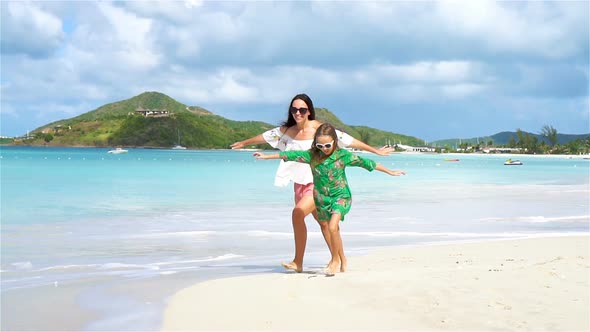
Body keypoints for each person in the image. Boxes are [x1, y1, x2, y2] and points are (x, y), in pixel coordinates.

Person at [231, 93, 393, 273]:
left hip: (316, 184)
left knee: (297, 213)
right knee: (324, 224)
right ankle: (340, 259)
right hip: (299, 184)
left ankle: (298, 261)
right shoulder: (287, 131)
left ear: (309, 111)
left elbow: (348, 140)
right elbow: (265, 137)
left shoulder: (319, 129)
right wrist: (244, 143)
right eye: (294, 109)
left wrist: (375, 151)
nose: (297, 113)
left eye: (302, 109)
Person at [253, 123, 405, 275]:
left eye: (327, 145)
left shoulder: (343, 156)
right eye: (320, 145)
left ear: (334, 141)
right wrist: (267, 156)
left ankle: (335, 261)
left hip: (341, 197)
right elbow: (289, 155)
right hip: (322, 200)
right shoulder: (312, 156)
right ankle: (343, 259)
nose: (324, 148)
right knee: (333, 230)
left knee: (332, 227)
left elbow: (368, 163)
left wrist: (390, 172)